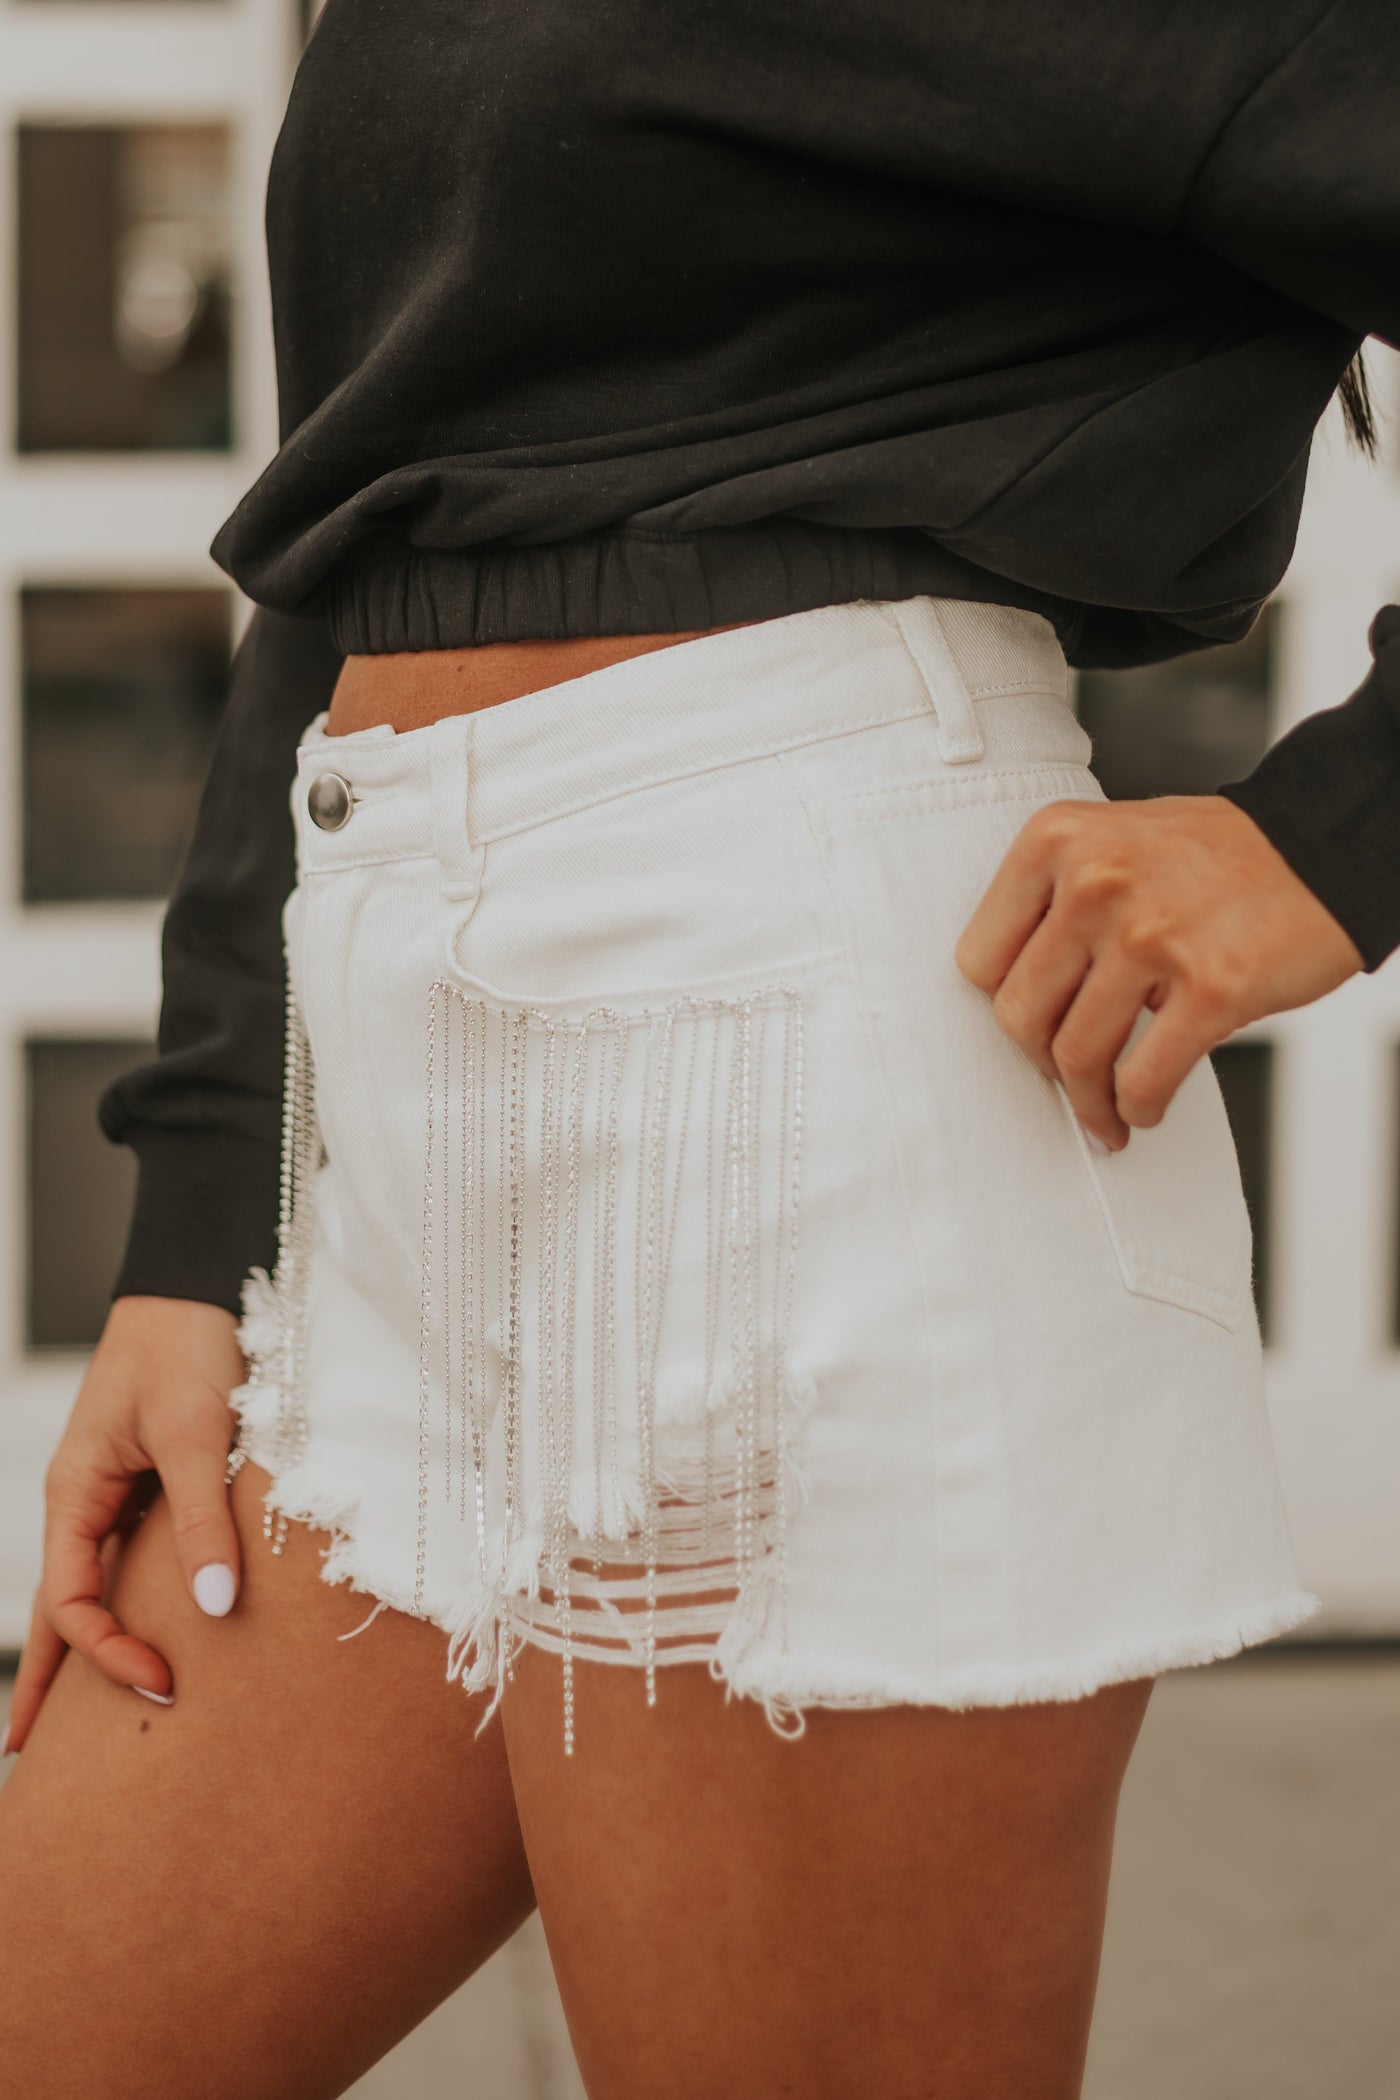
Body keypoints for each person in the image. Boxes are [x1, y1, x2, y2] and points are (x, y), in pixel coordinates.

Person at [1, 6, 1395, 2096]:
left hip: (801, 1069)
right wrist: (198, 1224)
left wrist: (1327, 843)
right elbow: (366, 509)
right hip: (394, 1129)